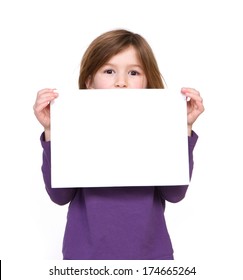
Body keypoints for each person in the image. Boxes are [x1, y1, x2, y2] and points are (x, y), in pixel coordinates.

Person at [33, 29, 204, 260]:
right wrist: (52, 131)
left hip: (150, 258)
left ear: (146, 82)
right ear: (89, 82)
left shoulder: (155, 131)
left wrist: (182, 128)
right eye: (109, 71)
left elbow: (174, 193)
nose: (121, 82)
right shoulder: (78, 129)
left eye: (133, 72)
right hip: (86, 258)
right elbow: (60, 196)